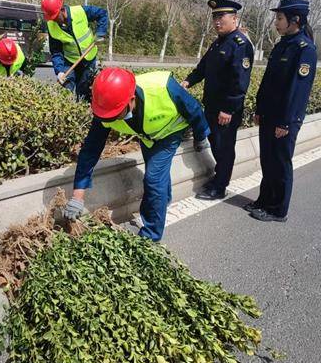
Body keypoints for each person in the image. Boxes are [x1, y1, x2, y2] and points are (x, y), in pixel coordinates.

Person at [62, 68, 211, 241]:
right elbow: (90, 150)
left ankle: (150, 236)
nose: (111, 121)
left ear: (131, 100)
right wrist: (77, 196)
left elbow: (194, 110)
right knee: (157, 177)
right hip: (148, 136)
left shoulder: (163, 87)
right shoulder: (107, 108)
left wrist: (201, 137)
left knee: (154, 179)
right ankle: (163, 200)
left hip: (170, 133)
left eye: (115, 116)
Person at [247, 0, 317, 222]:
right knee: (267, 160)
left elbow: (298, 89)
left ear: (294, 20)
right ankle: (264, 200)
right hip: (269, 114)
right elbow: (268, 82)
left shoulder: (304, 49)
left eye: (279, 19)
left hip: (284, 118)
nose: (275, 23)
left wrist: (285, 122)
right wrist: (259, 108)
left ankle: (278, 209)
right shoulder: (282, 45)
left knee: (280, 162)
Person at [182, 0, 253, 199]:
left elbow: (240, 82)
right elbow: (203, 68)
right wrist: (188, 81)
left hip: (226, 110)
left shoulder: (240, 44)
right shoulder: (219, 42)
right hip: (212, 106)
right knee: (215, 142)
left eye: (221, 17)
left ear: (234, 18)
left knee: (224, 147)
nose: (217, 21)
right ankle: (219, 176)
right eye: (214, 17)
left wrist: (228, 109)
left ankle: (220, 187)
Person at [41, 0, 108, 102]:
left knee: (83, 93)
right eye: (51, 18)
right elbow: (56, 51)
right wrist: (59, 71)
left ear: (62, 10)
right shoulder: (51, 26)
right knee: (66, 90)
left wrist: (100, 33)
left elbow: (102, 14)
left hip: (88, 59)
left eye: (55, 17)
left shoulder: (80, 11)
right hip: (69, 61)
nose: (53, 20)